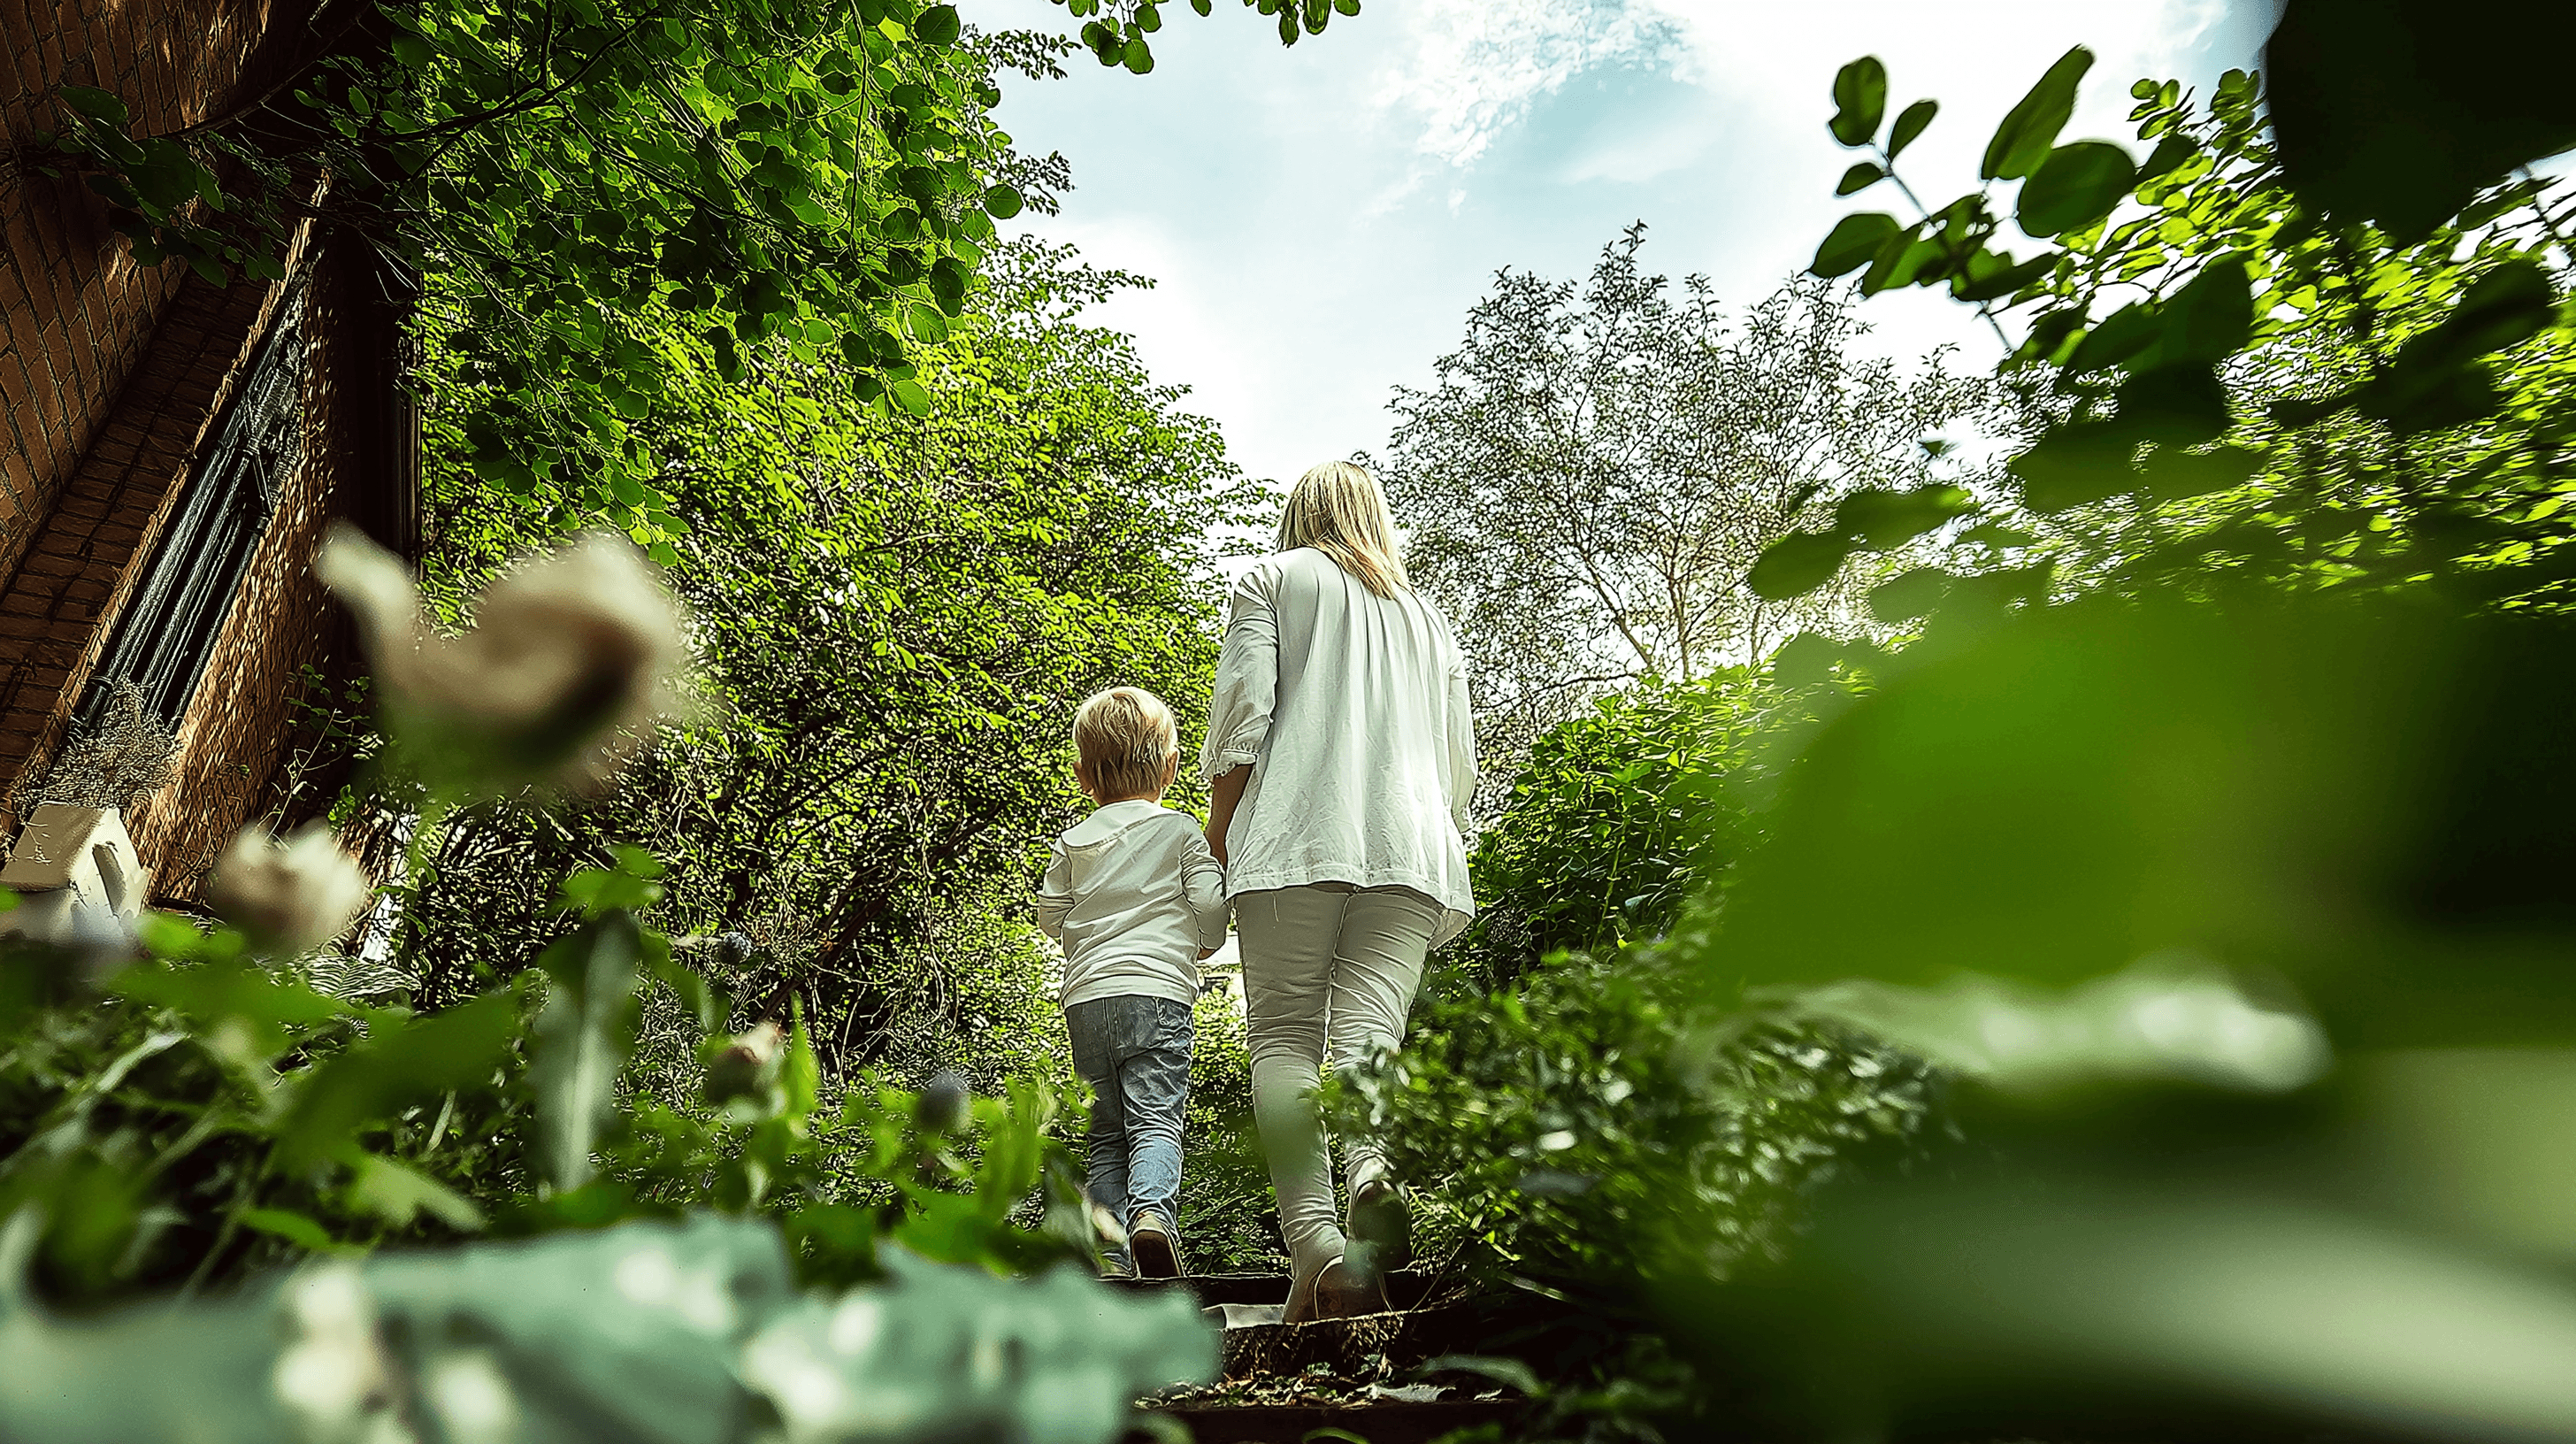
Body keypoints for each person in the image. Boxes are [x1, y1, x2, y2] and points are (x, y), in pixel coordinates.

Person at [1200, 461, 1476, 1321]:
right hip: (1409, 850)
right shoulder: (1427, 617)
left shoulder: (1269, 579)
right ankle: (1370, 1172)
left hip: (1295, 841)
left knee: (1283, 1035)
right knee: (1368, 1035)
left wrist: (1214, 839)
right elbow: (1458, 767)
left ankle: (1316, 1243)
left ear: (1298, 513)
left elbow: (1242, 720)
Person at [1037, 686, 1230, 1279]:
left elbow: (1049, 915)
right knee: (1155, 1119)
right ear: (1170, 766)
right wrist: (1207, 942)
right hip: (1158, 995)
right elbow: (1210, 901)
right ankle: (1152, 1218)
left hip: (1087, 1000)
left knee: (1105, 1134)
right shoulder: (1179, 833)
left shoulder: (1073, 843)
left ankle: (1108, 1255)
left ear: (1080, 774)